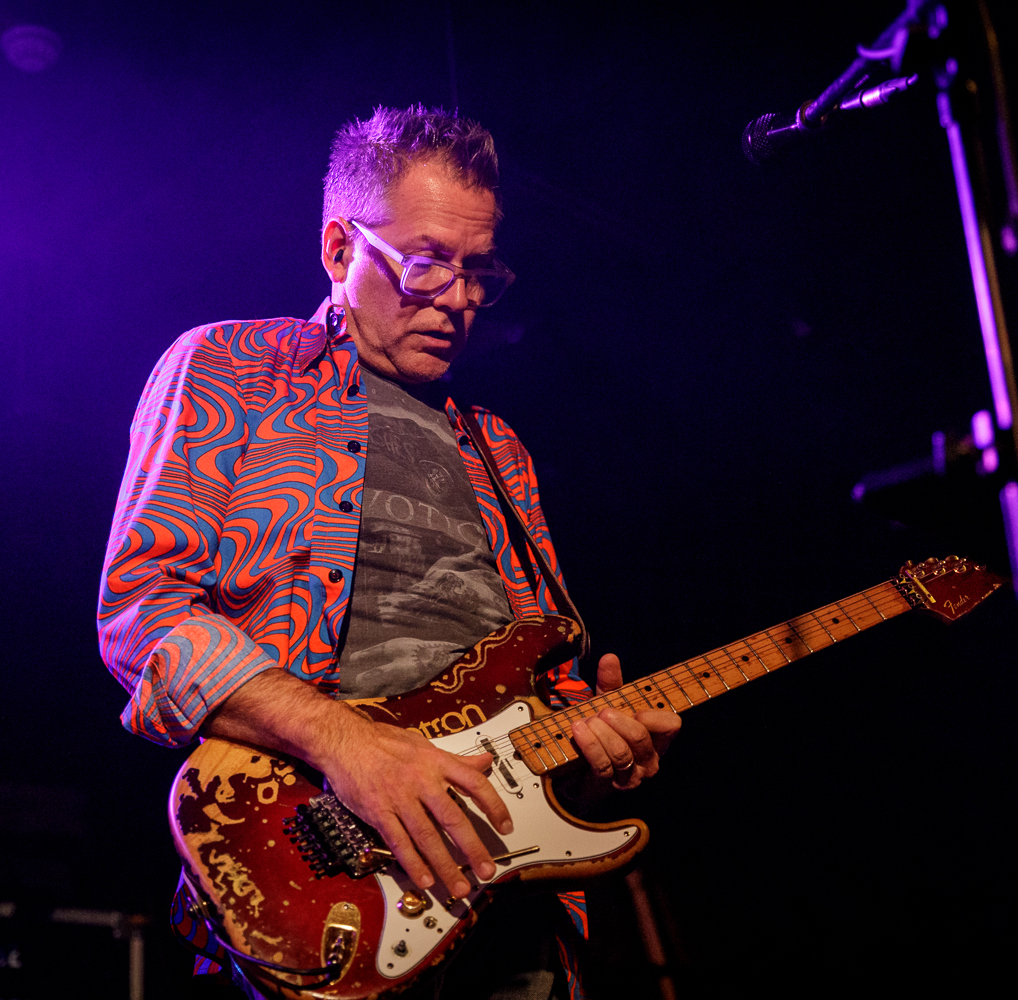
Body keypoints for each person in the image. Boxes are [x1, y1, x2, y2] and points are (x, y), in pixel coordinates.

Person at [98, 105, 680, 1000]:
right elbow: (144, 611)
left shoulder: (501, 451)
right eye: (426, 263)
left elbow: (540, 689)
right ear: (339, 251)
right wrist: (354, 749)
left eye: (479, 270)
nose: (461, 298)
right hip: (321, 864)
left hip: (508, 902)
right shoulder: (231, 369)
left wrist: (600, 745)